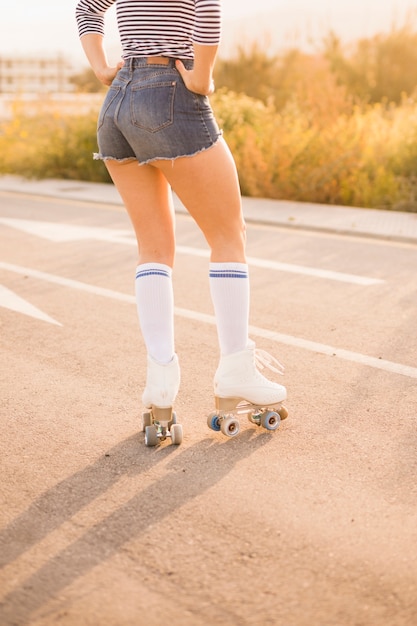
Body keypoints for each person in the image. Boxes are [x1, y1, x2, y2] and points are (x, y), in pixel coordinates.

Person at [75, 0, 287, 438]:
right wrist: (204, 74)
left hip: (117, 101)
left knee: (153, 249)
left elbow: (87, 6)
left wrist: (100, 67)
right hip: (171, 91)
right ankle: (235, 368)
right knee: (229, 235)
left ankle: (160, 381)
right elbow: (207, 10)